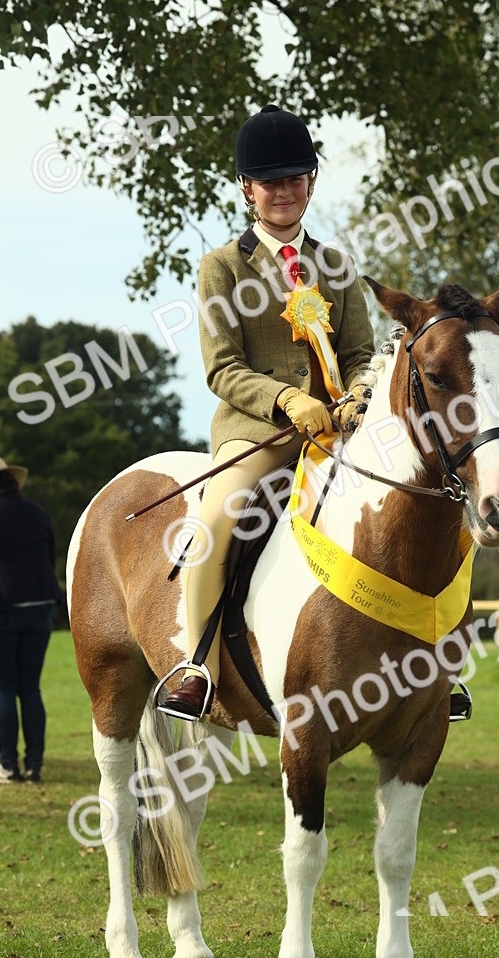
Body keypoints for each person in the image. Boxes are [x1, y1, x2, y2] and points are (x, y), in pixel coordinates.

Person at [159, 104, 375, 721]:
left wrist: (359, 394)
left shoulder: (335, 266)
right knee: (217, 517)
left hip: (340, 430)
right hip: (258, 433)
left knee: (424, 494)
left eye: (295, 179)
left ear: (310, 182)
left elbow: (360, 354)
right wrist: (287, 399)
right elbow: (222, 367)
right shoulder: (223, 267)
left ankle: (436, 663)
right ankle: (196, 666)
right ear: (247, 189)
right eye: (270, 181)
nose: (284, 191)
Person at [0, 457, 61, 782]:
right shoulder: (39, 514)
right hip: (40, 608)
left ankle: (8, 765)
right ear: (14, 483)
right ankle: (34, 765)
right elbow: (48, 561)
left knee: (4, 688)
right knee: (30, 688)